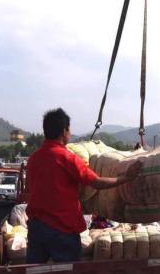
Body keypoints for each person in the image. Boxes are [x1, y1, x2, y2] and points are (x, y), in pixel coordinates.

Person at [26, 108, 142, 264]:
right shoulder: (67, 158)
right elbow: (96, 182)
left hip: (37, 229)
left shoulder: (34, 159)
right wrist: (125, 178)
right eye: (69, 129)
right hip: (63, 230)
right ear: (64, 131)